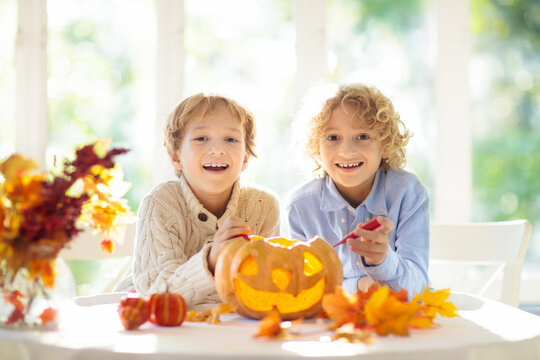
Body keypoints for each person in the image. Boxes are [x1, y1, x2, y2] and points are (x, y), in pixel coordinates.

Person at [123, 92, 280, 305]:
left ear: (245, 158)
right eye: (201, 138)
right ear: (176, 156)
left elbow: (268, 287)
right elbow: (156, 294)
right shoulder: (160, 203)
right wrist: (211, 260)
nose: (217, 149)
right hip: (150, 318)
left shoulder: (263, 206)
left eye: (231, 139)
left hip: (222, 327)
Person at [286, 83, 429, 296]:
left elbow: (419, 288)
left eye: (362, 136)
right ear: (316, 147)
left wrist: (384, 261)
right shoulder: (300, 206)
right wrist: (359, 286)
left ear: (386, 144)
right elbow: (305, 289)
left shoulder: (408, 194)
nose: (346, 151)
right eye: (333, 138)